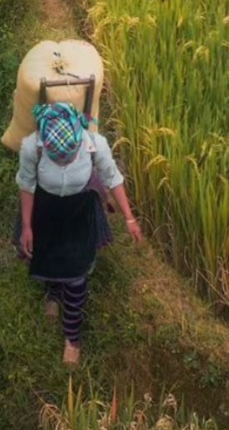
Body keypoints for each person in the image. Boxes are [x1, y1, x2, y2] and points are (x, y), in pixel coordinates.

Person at [16, 101, 142, 366]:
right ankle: (53, 294)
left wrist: (129, 218)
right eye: (57, 158)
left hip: (79, 214)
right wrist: (27, 226)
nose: (63, 162)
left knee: (76, 275)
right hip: (45, 212)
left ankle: (72, 338)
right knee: (47, 257)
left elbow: (113, 178)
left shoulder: (94, 143)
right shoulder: (32, 146)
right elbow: (26, 185)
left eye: (69, 157)